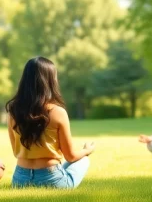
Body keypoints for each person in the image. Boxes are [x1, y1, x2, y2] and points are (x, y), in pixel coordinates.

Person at [8, 57, 96, 189]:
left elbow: (16, 151)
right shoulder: (58, 112)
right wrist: (86, 150)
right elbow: (71, 156)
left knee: (66, 164)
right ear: (50, 81)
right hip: (50, 179)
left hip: (20, 180)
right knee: (83, 160)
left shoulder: (13, 112)